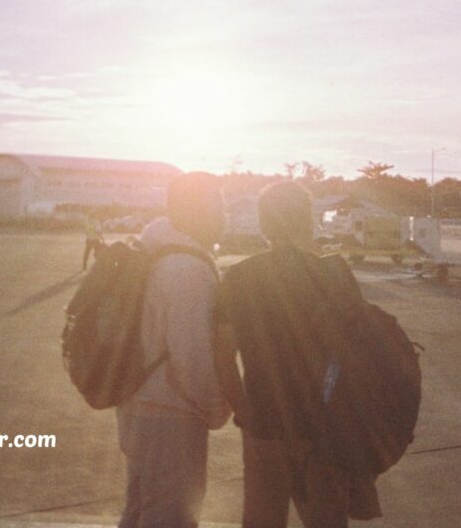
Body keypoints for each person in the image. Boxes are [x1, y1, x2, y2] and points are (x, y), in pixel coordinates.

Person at [213, 181, 381, 528]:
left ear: (263, 223)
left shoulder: (238, 278)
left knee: (262, 519)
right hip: (325, 427)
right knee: (326, 520)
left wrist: (245, 414)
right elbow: (358, 353)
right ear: (307, 221)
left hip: (264, 422)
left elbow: (222, 355)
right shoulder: (333, 275)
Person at [116, 172, 230, 528]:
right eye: (219, 205)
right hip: (171, 414)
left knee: (139, 511)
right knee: (170, 517)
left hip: (139, 405)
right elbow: (193, 358)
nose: (224, 216)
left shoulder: (158, 252)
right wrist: (217, 407)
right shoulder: (187, 269)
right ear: (200, 210)